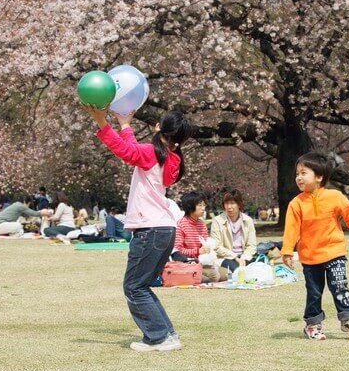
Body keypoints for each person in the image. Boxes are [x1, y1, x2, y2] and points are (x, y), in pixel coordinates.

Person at [85, 104, 192, 352]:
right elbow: (133, 151)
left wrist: (102, 121)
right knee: (141, 285)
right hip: (165, 229)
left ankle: (159, 337)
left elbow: (125, 150)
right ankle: (167, 334)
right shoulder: (172, 158)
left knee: (133, 287)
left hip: (150, 230)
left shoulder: (151, 153)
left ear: (158, 128)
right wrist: (124, 125)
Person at [281, 152, 349, 340]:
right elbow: (291, 229)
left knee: (340, 286)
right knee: (314, 292)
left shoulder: (334, 196)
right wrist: (287, 251)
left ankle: (347, 319)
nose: (298, 177)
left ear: (319, 177)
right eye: (297, 173)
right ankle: (312, 324)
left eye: (304, 173)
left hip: (335, 252)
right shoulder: (296, 204)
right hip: (310, 257)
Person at [172, 192, 219, 283]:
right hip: (188, 263)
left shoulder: (201, 224)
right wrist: (198, 251)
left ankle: (199, 276)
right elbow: (178, 250)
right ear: (190, 207)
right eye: (200, 205)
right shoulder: (181, 224)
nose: (203, 208)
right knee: (214, 276)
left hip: (203, 262)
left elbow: (205, 242)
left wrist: (208, 248)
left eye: (204, 205)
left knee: (226, 273)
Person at [210, 189, 257, 277]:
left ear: (239, 204)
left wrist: (244, 257)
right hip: (226, 257)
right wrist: (234, 257)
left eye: (232, 203)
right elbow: (216, 246)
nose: (229, 207)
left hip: (244, 256)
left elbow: (252, 245)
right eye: (226, 203)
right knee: (237, 270)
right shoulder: (217, 221)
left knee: (255, 269)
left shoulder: (248, 220)